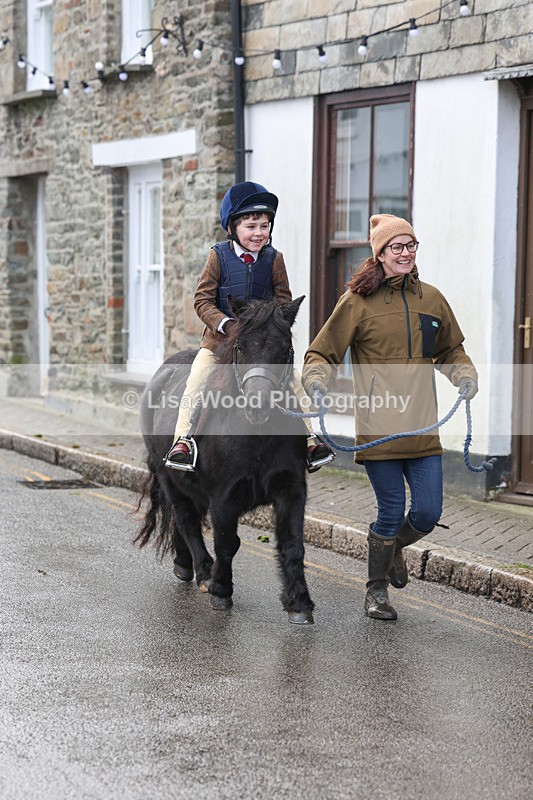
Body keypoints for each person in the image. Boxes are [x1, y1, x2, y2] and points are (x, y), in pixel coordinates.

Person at [302, 213, 478, 621]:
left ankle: (393, 549)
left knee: (428, 513)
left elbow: (451, 351)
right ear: (379, 254)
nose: (405, 253)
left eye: (410, 246)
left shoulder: (431, 299)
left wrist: (464, 375)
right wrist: (316, 381)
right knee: (391, 511)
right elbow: (322, 354)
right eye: (396, 247)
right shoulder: (356, 302)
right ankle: (376, 591)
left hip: (422, 427)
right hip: (378, 427)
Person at [165, 180, 335, 473]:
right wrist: (226, 324)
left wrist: (275, 327)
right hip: (219, 343)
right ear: (232, 228)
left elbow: (284, 303)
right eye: (251, 226)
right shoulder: (218, 256)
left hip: (262, 346)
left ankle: (311, 440)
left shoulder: (274, 259)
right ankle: (183, 442)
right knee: (195, 381)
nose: (259, 233)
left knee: (294, 382)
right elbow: (202, 300)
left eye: (264, 226)